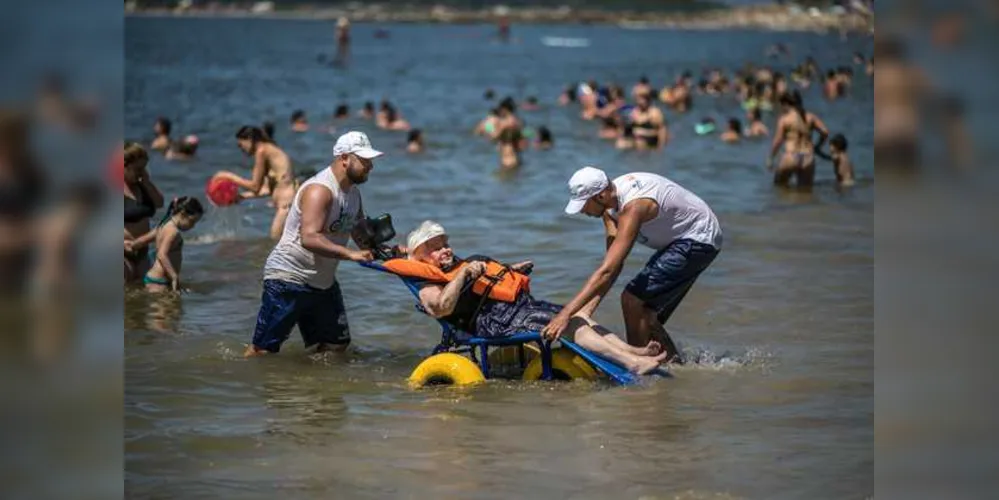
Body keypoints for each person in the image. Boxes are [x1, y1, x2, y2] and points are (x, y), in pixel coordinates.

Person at [403, 221, 668, 375]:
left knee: (577, 314)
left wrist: (509, 271)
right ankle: (631, 363)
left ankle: (632, 350)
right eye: (435, 249)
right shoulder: (428, 282)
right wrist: (463, 275)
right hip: (493, 323)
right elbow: (440, 308)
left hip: (517, 309)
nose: (444, 250)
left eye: (445, 244)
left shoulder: (455, 266)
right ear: (421, 257)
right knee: (566, 324)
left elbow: (484, 283)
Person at [544, 167, 722, 364]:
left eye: (584, 205)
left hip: (699, 238)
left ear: (601, 196)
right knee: (646, 316)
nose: (583, 211)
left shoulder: (634, 207)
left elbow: (606, 271)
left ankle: (637, 367)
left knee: (632, 301)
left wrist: (565, 314)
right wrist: (585, 311)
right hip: (680, 240)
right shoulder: (610, 209)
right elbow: (613, 265)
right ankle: (676, 370)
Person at [245, 131, 382, 357]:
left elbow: (360, 236)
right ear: (344, 158)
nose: (370, 166)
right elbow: (309, 237)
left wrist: (390, 249)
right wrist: (350, 255)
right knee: (263, 351)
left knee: (336, 347)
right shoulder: (319, 190)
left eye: (370, 161)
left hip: (323, 283)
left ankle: (311, 386)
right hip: (289, 279)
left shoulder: (354, 194)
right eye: (364, 160)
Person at [213, 126, 297, 239]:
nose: (241, 149)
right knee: (279, 245)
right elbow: (266, 190)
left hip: (286, 205)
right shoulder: (270, 151)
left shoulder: (262, 151)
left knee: (274, 243)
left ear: (250, 139)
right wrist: (240, 196)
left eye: (240, 144)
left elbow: (255, 186)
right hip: (288, 204)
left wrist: (227, 176)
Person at [768, 91, 829, 188]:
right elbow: (825, 132)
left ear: (785, 104)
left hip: (791, 156)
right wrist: (818, 146)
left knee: (779, 188)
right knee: (805, 193)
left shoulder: (785, 119)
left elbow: (778, 140)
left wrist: (771, 158)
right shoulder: (810, 117)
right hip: (808, 158)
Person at [124, 142, 165, 284]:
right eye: (138, 169)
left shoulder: (142, 185)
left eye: (144, 168)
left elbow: (159, 203)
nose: (141, 172)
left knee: (143, 295)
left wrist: (147, 182)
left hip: (142, 252)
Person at [144, 197, 205, 292]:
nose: (193, 226)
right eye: (192, 221)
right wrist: (174, 276)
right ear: (183, 214)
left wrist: (133, 244)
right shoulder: (173, 231)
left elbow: (148, 237)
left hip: (157, 278)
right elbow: (161, 254)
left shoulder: (164, 223)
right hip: (159, 281)